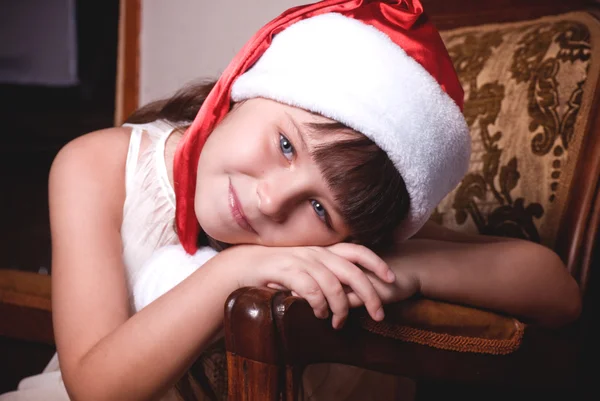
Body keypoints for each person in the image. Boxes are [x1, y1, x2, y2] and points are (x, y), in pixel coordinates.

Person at [0, 1, 581, 400]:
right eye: (284, 144)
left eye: (321, 209)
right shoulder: (96, 165)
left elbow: (556, 291)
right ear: (245, 88)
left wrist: (394, 268)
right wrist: (238, 268)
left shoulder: (339, 245)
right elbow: (96, 388)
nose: (272, 200)